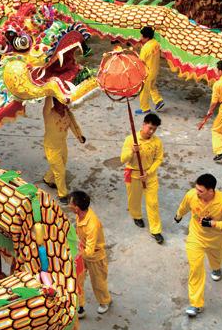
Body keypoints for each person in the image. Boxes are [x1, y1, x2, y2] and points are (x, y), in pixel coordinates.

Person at [174, 173, 222, 316]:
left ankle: (216, 268)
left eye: (200, 191)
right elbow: (185, 206)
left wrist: (213, 223)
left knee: (216, 260)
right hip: (195, 239)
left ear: (211, 191)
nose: (197, 193)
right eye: (196, 189)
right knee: (195, 269)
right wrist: (178, 216)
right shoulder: (192, 196)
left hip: (215, 240)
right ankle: (196, 304)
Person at [121, 113, 164, 242]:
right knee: (134, 199)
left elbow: (159, 159)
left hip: (149, 176)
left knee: (153, 203)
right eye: (150, 128)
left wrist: (148, 172)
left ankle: (155, 230)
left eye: (154, 129)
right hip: (134, 175)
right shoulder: (130, 140)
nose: (151, 131)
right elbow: (123, 159)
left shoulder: (156, 142)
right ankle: (137, 216)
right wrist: (131, 151)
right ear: (143, 124)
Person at [69, 190, 111, 318]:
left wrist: (76, 255)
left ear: (76, 208)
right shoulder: (80, 216)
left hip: (94, 257)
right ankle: (80, 309)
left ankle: (105, 302)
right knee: (78, 279)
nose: (69, 205)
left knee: (98, 282)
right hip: (83, 251)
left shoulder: (92, 224)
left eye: (71, 203)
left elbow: (90, 251)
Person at [42, 97, 85, 206]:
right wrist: (50, 90)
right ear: (54, 102)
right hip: (51, 147)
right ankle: (62, 194)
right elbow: (47, 101)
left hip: (62, 145)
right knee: (60, 171)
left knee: (60, 165)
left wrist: (80, 136)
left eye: (65, 103)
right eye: (61, 103)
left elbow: (74, 125)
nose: (63, 105)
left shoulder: (68, 114)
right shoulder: (48, 113)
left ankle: (48, 180)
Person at [136, 26, 164, 114]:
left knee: (144, 91)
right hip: (155, 70)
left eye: (142, 36)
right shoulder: (156, 43)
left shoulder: (145, 48)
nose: (140, 38)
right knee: (152, 87)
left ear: (147, 37)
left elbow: (141, 61)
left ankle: (145, 108)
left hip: (147, 73)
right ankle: (158, 101)